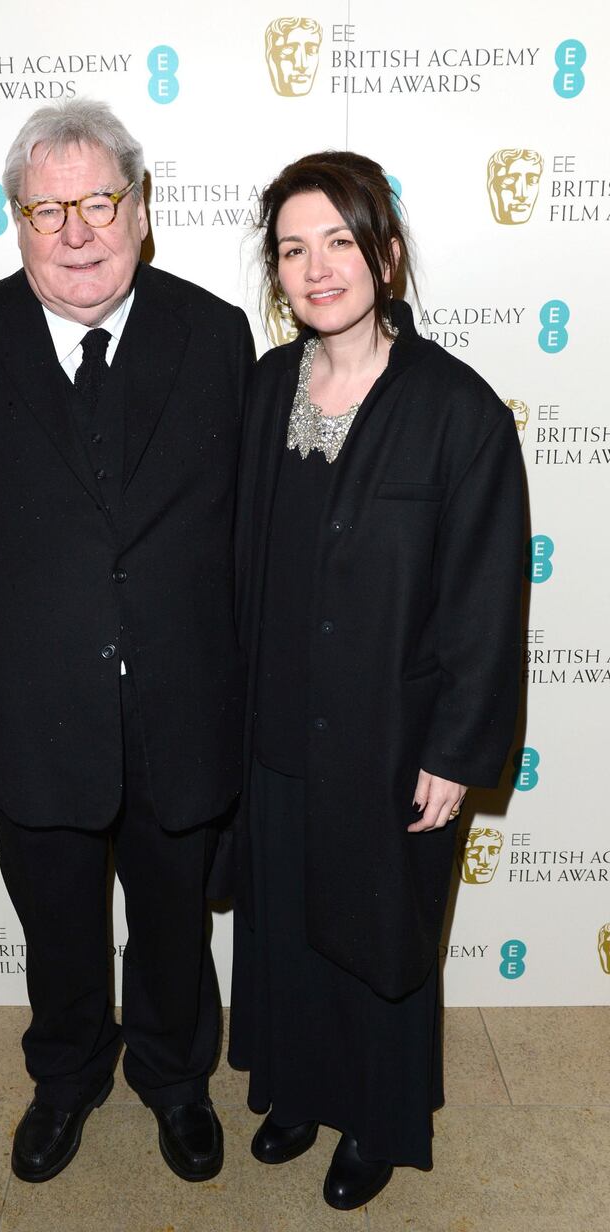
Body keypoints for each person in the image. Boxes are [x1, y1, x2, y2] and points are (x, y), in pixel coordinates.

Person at [0, 97, 254, 1185]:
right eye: (49, 209)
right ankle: (64, 1076)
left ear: (141, 209)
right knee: (53, 919)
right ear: (15, 220)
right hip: (27, 700)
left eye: (100, 201)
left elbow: (243, 530)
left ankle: (175, 1076)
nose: (78, 231)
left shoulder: (213, 332)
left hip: (182, 693)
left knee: (171, 919)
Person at [229, 151, 524, 1210]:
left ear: (385, 256)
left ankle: (373, 1118)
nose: (316, 269)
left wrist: (456, 750)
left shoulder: (457, 412)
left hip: (388, 734)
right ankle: (298, 1090)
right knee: (286, 917)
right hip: (273, 727)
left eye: (339, 243)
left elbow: (487, 598)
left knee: (373, 931)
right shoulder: (263, 390)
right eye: (292, 249)